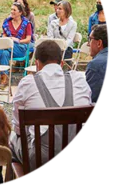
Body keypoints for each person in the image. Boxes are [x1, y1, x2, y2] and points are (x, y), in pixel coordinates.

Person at [10, 40, 92, 174]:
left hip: (39, 161)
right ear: (61, 63)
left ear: (37, 64)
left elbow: (18, 127)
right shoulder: (79, 80)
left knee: (13, 140)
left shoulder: (27, 83)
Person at [0, 2, 33, 87]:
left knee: (4, 45)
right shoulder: (7, 22)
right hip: (7, 47)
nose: (12, 11)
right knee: (4, 53)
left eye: (14, 10)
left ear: (20, 12)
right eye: (11, 9)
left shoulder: (27, 23)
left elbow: (28, 39)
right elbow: (4, 37)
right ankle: (4, 78)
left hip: (20, 48)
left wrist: (18, 40)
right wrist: (8, 40)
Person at [86, 24, 110, 103]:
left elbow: (90, 99)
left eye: (90, 39)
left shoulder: (95, 65)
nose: (88, 44)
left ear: (99, 43)